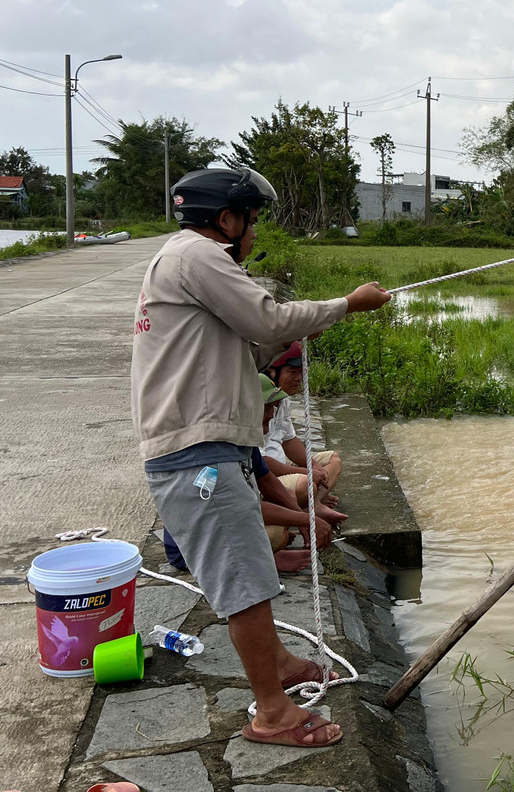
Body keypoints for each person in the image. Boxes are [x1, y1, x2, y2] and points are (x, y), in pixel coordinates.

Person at [132, 166, 390, 748]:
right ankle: (272, 714)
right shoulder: (199, 257)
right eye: (253, 221)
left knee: (247, 566)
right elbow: (267, 319)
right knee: (246, 583)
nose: (254, 235)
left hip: (205, 446)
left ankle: (279, 664)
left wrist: (306, 328)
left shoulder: (180, 261)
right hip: (197, 453)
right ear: (227, 220)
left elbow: (250, 347)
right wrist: (347, 304)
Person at [164, 376, 347, 575]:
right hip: (196, 548)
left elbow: (267, 480)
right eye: (265, 409)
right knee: (278, 534)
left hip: (226, 525)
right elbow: (246, 506)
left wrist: (302, 517)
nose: (271, 415)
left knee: (284, 521)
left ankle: (265, 555)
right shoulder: (214, 452)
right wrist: (307, 520)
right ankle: (268, 559)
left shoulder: (244, 443)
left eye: (272, 408)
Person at [262, 343, 342, 506]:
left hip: (283, 467)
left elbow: (289, 441)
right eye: (292, 372)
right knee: (306, 484)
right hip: (266, 477)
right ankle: (310, 505)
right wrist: (305, 472)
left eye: (301, 372)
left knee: (333, 461)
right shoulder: (257, 401)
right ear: (272, 372)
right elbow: (259, 461)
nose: (299, 378)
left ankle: (315, 505)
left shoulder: (283, 399)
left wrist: (313, 466)